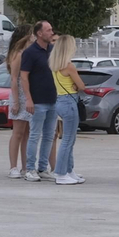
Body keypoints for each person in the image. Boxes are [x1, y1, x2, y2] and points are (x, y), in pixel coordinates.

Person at [44, 34, 88, 185]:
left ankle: (69, 170)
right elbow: (82, 86)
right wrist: (76, 86)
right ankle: (61, 173)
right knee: (68, 139)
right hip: (70, 102)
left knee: (69, 138)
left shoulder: (55, 65)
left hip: (60, 100)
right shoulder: (69, 66)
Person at [19, 21, 58, 183]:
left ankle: (43, 168)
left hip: (53, 100)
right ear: (40, 33)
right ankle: (30, 168)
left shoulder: (53, 51)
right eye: (48, 30)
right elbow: (24, 77)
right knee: (35, 135)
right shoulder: (30, 52)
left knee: (49, 135)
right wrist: (28, 98)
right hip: (38, 101)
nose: (51, 32)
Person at [3, 27, 35, 179]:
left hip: (29, 95)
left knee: (27, 133)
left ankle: (25, 166)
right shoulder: (18, 55)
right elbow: (14, 79)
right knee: (18, 133)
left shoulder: (29, 54)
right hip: (19, 96)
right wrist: (16, 101)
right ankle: (13, 166)